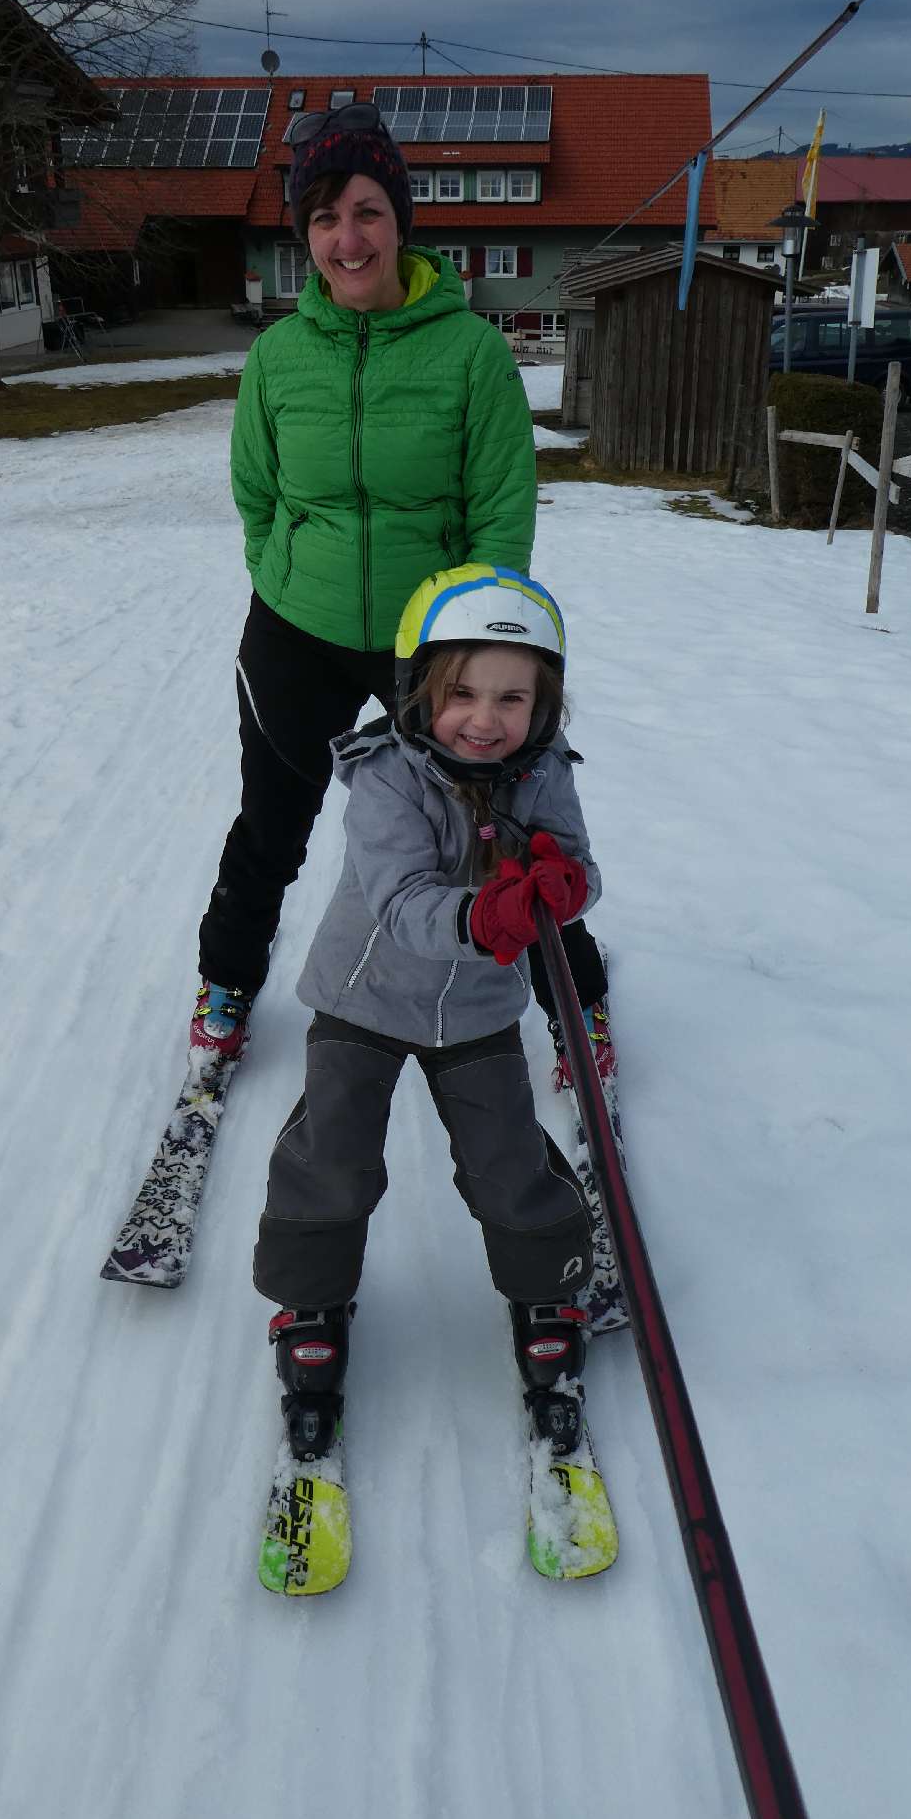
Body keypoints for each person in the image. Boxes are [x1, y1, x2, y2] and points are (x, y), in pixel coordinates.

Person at [193, 98, 613, 1087]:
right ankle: (226, 982)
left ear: (400, 222)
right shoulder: (278, 357)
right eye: (326, 217)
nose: (348, 238)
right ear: (305, 234)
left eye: (367, 212)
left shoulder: (468, 353)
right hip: (297, 629)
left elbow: (500, 512)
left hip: (435, 645)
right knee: (272, 822)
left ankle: (575, 998)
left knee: (500, 822)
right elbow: (256, 496)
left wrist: (475, 648)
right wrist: (285, 575)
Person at [254, 567, 601, 1463]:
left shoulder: (544, 772)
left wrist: (565, 885)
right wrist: (487, 915)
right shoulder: (385, 777)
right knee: (332, 1153)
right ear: (418, 694)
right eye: (462, 695)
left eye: (513, 698)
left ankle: (546, 1284)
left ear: (544, 705)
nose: (485, 719)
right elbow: (404, 902)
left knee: (507, 1156)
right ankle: (311, 1300)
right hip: (364, 997)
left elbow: (579, 864)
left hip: (478, 1010)